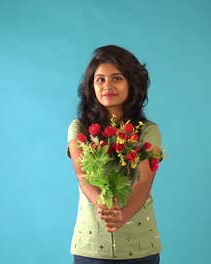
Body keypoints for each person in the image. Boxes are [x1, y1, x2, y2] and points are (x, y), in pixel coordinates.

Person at [67, 45, 163, 264]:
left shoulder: (148, 131)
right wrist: (105, 206)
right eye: (100, 79)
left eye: (116, 78)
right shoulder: (79, 129)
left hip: (140, 246)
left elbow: (144, 181)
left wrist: (124, 214)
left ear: (132, 84)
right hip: (91, 247)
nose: (107, 86)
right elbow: (82, 175)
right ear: (91, 86)